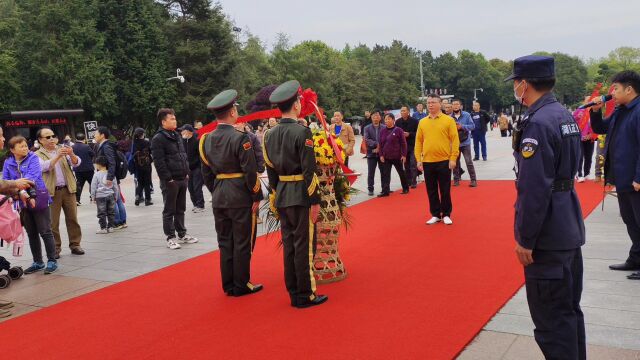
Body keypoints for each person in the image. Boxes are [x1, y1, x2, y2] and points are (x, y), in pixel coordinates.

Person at [507, 55, 586, 359]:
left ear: (524, 84)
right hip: (567, 223)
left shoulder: (538, 123)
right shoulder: (563, 115)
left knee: (551, 321)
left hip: (548, 233)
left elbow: (534, 189)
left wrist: (526, 238)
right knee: (568, 313)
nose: (515, 87)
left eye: (516, 82)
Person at [263, 80, 327, 308]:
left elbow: (270, 170)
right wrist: (315, 200)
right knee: (304, 246)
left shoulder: (268, 135)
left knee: (289, 245)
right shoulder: (303, 132)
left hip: (282, 194)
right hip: (301, 195)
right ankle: (306, 294)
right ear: (297, 105)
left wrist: (275, 194)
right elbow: (309, 172)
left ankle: (293, 291)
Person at [200, 89, 264, 296]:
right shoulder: (240, 138)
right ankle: (242, 283)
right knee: (242, 241)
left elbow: (206, 174)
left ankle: (228, 284)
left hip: (219, 195)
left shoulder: (205, 140)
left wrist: (217, 189)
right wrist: (256, 196)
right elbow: (250, 170)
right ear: (232, 112)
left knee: (225, 241)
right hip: (239, 196)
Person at [590, 70, 640, 281]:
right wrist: (595, 111)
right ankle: (636, 258)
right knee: (630, 220)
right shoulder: (621, 110)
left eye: (616, 89)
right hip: (622, 176)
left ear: (629, 89)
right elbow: (601, 127)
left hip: (635, 179)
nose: (613, 93)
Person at [3, 136, 57, 274]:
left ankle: (52, 260)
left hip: (37, 197)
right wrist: (17, 188)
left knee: (45, 231)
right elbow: (6, 180)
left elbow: (31, 178)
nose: (25, 148)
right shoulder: (8, 162)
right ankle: (38, 262)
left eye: (26, 145)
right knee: (31, 232)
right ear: (12, 150)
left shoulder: (33, 158)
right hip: (21, 202)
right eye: (21, 146)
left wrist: (18, 187)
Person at [151, 108, 198, 249]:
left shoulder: (176, 135)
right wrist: (168, 179)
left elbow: (183, 155)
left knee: (180, 208)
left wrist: (187, 172)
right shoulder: (158, 138)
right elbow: (159, 162)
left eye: (174, 118)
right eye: (171, 119)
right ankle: (170, 237)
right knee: (169, 209)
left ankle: (182, 234)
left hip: (182, 177)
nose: (175, 120)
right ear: (163, 121)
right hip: (170, 180)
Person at [35, 127, 84, 258]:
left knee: (73, 219)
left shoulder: (63, 149)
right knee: (52, 222)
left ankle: (75, 244)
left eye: (53, 136)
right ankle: (55, 248)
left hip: (68, 190)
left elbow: (77, 163)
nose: (51, 139)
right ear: (40, 140)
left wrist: (71, 154)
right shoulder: (36, 155)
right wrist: (57, 156)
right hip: (51, 192)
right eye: (47, 137)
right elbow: (44, 167)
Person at [415, 94, 459, 225]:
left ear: (440, 104)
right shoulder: (422, 122)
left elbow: (455, 140)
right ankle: (435, 214)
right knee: (431, 189)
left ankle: (446, 213)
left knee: (445, 189)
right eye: (428, 102)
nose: (430, 105)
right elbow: (418, 142)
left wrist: (453, 158)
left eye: (433, 102)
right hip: (428, 161)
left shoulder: (448, 120)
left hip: (444, 160)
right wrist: (418, 159)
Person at [94, 127, 127, 229]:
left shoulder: (106, 146)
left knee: (114, 199)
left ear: (102, 135)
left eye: (96, 133)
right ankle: (122, 221)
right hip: (112, 175)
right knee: (118, 199)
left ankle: (117, 222)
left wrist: (109, 178)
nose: (94, 135)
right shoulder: (107, 145)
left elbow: (112, 162)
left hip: (108, 176)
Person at [379, 113, 409, 197]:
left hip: (397, 156)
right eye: (385, 119)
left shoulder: (398, 130)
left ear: (393, 120)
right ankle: (385, 191)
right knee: (385, 174)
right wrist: (381, 155)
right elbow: (380, 144)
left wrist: (404, 155)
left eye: (389, 119)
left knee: (401, 173)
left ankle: (405, 188)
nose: (387, 121)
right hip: (386, 157)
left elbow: (403, 143)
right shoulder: (382, 131)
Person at [451, 100, 477, 187]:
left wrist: (462, 126)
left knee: (468, 162)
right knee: (455, 162)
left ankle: (473, 180)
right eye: (454, 104)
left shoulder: (466, 115)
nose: (455, 106)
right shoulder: (449, 117)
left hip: (465, 142)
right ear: (452, 106)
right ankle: (456, 180)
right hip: (454, 143)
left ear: (460, 106)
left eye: (457, 104)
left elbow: (472, 126)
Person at [181, 124, 205, 213]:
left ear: (189, 132)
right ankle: (195, 204)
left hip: (196, 168)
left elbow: (200, 155)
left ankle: (200, 205)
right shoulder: (183, 141)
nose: (182, 133)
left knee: (197, 187)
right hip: (187, 169)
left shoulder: (197, 140)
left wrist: (198, 165)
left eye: (183, 131)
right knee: (190, 187)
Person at [90, 156, 118, 234]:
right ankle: (111, 227)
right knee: (111, 212)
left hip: (100, 196)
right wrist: (116, 196)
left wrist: (93, 197)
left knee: (101, 213)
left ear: (98, 165)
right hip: (111, 195)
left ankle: (103, 228)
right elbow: (115, 186)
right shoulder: (111, 174)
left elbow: (93, 186)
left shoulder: (96, 175)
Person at [395, 106, 419, 188]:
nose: (402, 112)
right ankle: (408, 181)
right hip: (403, 147)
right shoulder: (397, 122)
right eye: (401, 111)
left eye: (404, 111)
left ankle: (414, 181)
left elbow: (419, 133)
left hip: (413, 145)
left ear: (408, 112)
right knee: (406, 165)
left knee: (413, 164)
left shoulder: (415, 121)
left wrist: (409, 134)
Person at [131, 128, 153, 206]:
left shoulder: (134, 143)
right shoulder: (146, 142)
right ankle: (148, 200)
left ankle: (137, 197)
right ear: (142, 134)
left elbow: (132, 154)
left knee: (140, 183)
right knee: (147, 183)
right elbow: (151, 151)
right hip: (147, 165)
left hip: (138, 166)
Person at [363, 110, 383, 196]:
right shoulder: (367, 128)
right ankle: (370, 189)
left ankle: (385, 188)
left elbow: (386, 139)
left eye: (377, 116)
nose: (375, 117)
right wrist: (376, 144)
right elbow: (366, 140)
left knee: (384, 171)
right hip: (371, 153)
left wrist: (380, 147)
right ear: (371, 117)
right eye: (374, 116)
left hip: (382, 153)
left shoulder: (384, 127)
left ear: (380, 117)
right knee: (371, 172)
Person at [72, 132, 94, 205]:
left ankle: (77, 200)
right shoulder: (86, 146)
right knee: (92, 183)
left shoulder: (73, 147)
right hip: (88, 168)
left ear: (76, 139)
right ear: (84, 139)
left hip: (78, 169)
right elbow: (92, 154)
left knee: (79, 184)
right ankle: (93, 197)